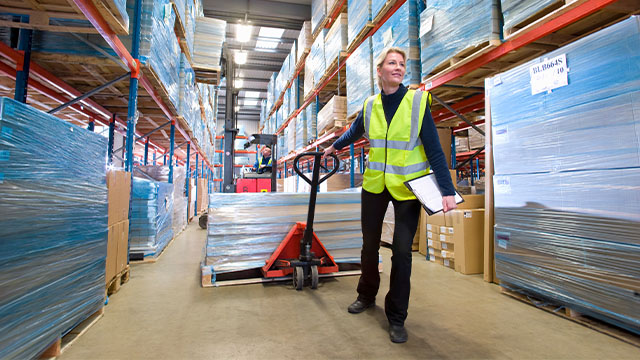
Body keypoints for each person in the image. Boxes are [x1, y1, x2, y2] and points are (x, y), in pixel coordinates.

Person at [323, 47, 457, 343]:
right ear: (380, 70)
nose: (398, 68)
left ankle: (397, 316)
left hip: (409, 187)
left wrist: (447, 191)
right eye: (392, 63)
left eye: (401, 64)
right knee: (369, 246)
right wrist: (335, 147)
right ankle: (366, 295)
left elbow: (435, 149)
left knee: (400, 253)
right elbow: (355, 131)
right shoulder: (371, 104)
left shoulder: (417, 102)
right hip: (375, 186)